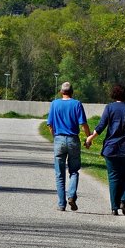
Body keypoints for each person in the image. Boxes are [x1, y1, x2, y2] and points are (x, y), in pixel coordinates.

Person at [86, 84, 125, 215]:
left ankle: (114, 208)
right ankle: (124, 201)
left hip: (111, 149)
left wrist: (90, 138)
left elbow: (101, 126)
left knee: (113, 177)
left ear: (114, 94)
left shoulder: (109, 108)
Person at [47, 81, 91, 211]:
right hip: (73, 140)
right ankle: (71, 196)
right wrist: (88, 138)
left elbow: (49, 124)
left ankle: (61, 204)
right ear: (72, 92)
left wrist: (55, 136)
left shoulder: (54, 104)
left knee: (59, 174)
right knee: (74, 171)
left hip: (59, 139)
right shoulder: (77, 104)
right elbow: (83, 124)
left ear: (61, 92)